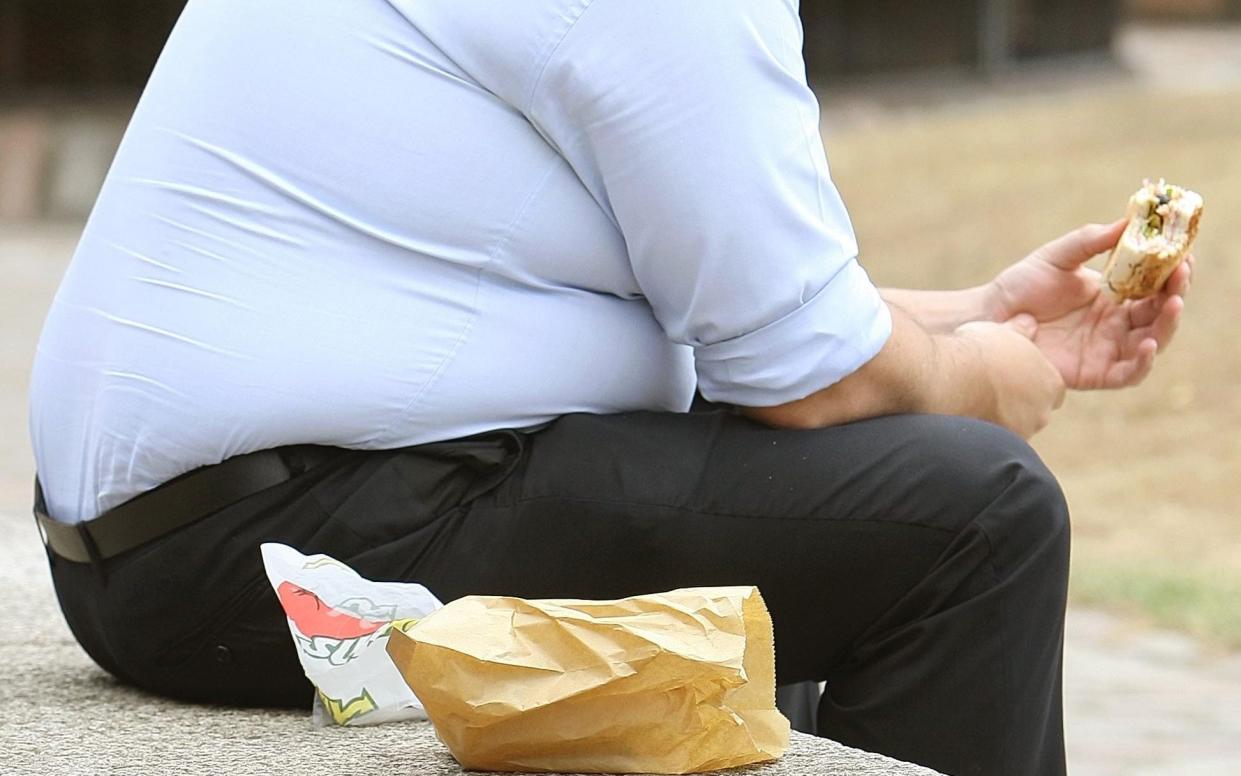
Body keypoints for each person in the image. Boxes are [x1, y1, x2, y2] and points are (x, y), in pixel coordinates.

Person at [28, 2, 1190, 774]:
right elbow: (805, 376)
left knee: (824, 486)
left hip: (167, 543)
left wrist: (968, 317)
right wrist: (983, 379)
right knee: (973, 509)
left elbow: (745, 315)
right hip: (283, 558)